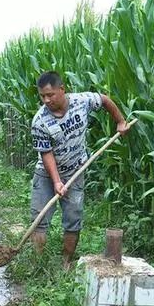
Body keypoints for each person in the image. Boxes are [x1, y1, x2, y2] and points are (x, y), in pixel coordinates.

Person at [30, 71, 129, 269]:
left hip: (75, 171)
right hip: (46, 174)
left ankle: (66, 263)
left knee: (73, 219)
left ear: (62, 89)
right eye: (42, 96)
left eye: (50, 95)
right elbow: (46, 153)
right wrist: (57, 181)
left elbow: (104, 100)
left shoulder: (81, 101)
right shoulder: (40, 121)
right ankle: (38, 264)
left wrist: (120, 121)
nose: (46, 100)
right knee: (39, 218)